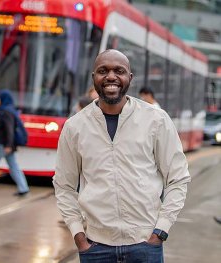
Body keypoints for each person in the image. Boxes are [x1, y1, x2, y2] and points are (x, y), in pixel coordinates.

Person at [54, 49, 190, 262]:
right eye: (103, 70)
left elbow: (178, 178)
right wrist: (78, 234)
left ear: (130, 78)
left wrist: (160, 230)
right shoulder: (75, 127)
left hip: (145, 245)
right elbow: (64, 185)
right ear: (93, 78)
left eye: (119, 71)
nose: (110, 77)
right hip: (95, 247)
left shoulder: (156, 120)